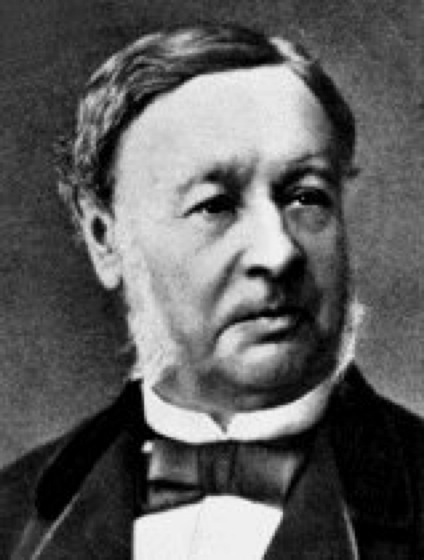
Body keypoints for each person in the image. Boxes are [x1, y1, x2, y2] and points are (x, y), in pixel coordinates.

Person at [1, 23, 423, 560]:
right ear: (104, 238)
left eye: (306, 197)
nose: (278, 253)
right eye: (215, 206)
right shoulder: (15, 515)